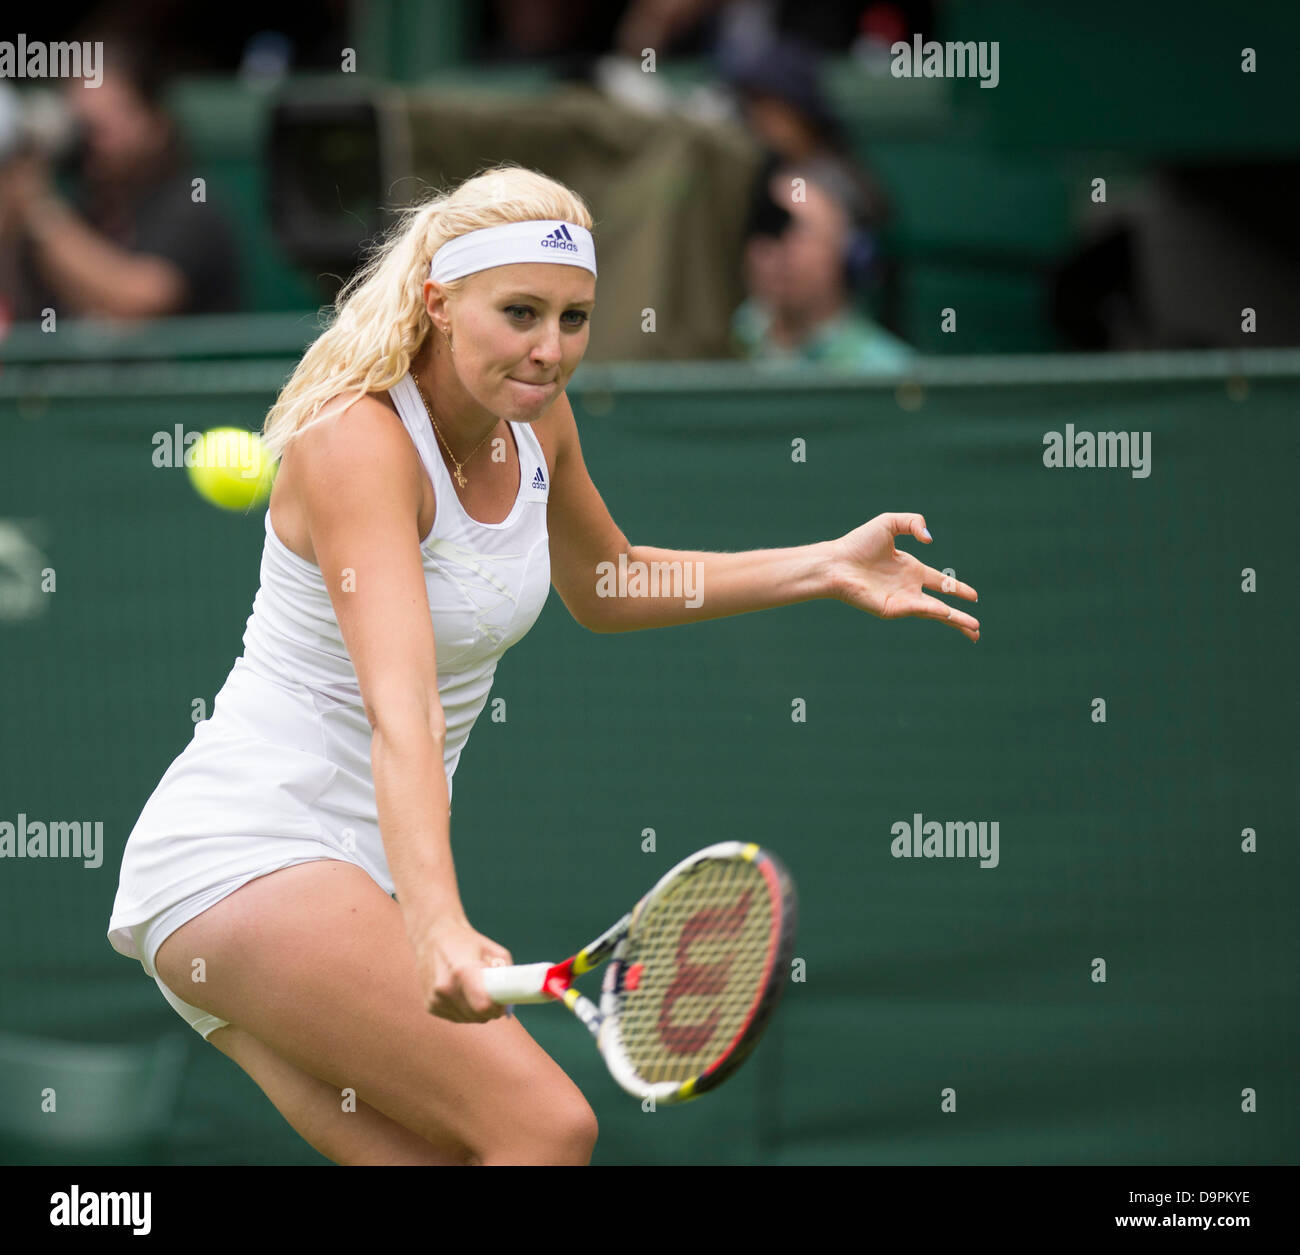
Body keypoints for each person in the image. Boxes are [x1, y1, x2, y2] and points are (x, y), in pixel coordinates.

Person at [106, 162, 979, 1167]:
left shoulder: (535, 420)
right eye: (519, 311)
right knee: (544, 1126)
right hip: (243, 855)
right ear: (439, 301)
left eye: (573, 318)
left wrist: (822, 564)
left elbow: (609, 582)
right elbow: (404, 709)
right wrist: (435, 925)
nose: (548, 348)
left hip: (325, 879)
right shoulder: (360, 441)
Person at [0, 37, 240, 322]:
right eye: (82, 123)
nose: (92, 139)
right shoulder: (83, 211)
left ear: (155, 122)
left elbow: (142, 298)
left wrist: (39, 209)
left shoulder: (191, 201)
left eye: (106, 121)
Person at [732, 165, 915, 369]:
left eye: (795, 233)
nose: (775, 250)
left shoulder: (888, 372)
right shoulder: (727, 343)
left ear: (848, 254)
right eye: (766, 230)